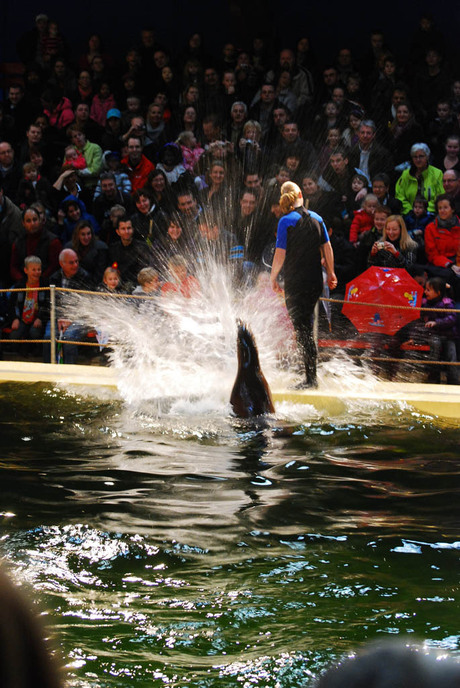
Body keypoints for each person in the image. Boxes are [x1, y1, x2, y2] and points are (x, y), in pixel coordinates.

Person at [270, 181, 337, 388]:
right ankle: (310, 374)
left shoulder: (285, 221)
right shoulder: (317, 218)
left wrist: (273, 278)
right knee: (305, 326)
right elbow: (328, 248)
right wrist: (332, 273)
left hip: (295, 282)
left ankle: (310, 379)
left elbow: (280, 254)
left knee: (302, 329)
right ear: (300, 194)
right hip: (315, 281)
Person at [44, 248, 92, 364]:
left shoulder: (85, 277)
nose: (75, 265)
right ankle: (47, 371)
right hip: (58, 317)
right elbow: (50, 303)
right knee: (48, 338)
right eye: (71, 262)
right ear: (62, 264)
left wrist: (70, 318)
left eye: (76, 261)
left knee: (68, 338)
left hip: (79, 317)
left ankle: (69, 372)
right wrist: (60, 317)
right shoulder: (54, 278)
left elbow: (85, 304)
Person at [8, 255, 49, 353]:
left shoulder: (45, 284)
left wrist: (40, 318)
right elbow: (12, 305)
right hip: (22, 319)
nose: (37, 272)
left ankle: (36, 351)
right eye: (33, 270)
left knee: (34, 333)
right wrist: (15, 319)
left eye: (39, 269)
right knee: (14, 335)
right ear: (26, 270)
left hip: (38, 319)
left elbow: (47, 304)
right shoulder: (19, 286)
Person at [395, 142, 444, 215]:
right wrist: (411, 210)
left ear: (427, 157)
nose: (418, 159)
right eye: (415, 157)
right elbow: (399, 195)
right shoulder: (406, 174)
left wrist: (424, 210)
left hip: (430, 213)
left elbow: (440, 196)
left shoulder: (437, 173)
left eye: (421, 156)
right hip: (408, 213)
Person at [424, 194, 460, 276]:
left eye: (445, 207)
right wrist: (450, 265)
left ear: (452, 209)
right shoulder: (430, 228)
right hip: (440, 266)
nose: (442, 210)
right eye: (440, 208)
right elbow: (432, 255)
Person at [65, 220, 108, 284]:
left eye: (88, 234)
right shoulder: (69, 248)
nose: (86, 237)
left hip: (93, 286)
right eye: (83, 234)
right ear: (78, 235)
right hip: (73, 285)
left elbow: (100, 275)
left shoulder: (101, 248)